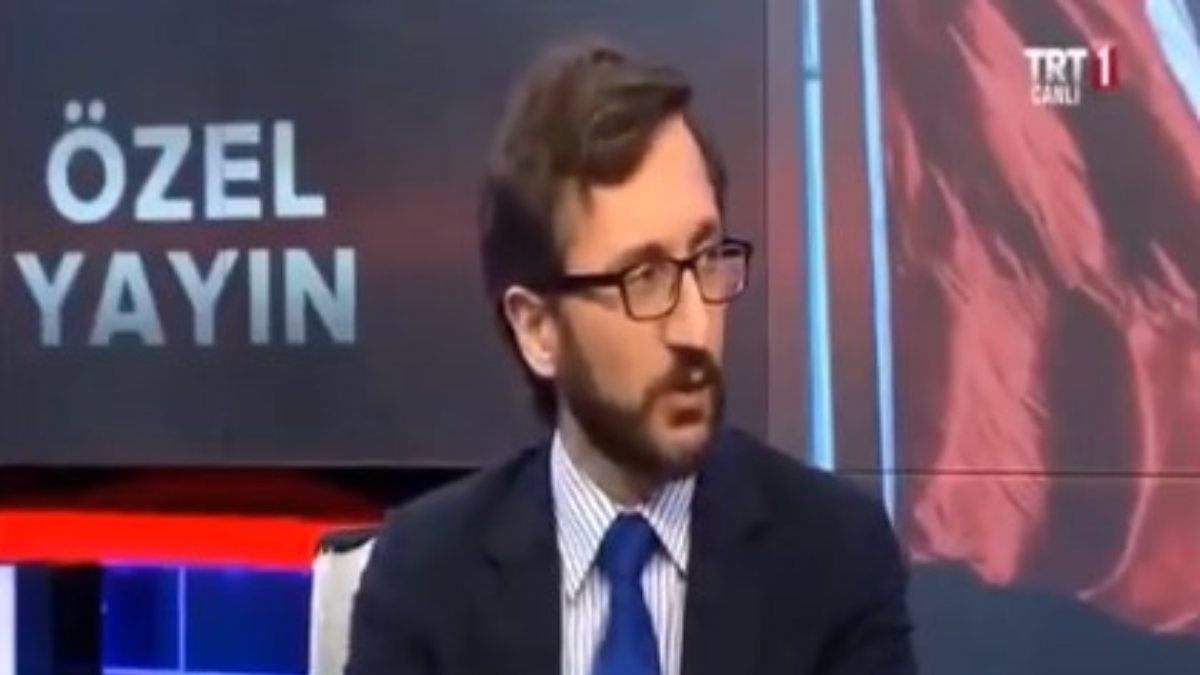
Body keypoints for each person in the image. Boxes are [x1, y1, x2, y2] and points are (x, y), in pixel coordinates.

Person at [346, 37, 916, 675]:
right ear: (538, 328)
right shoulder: (425, 580)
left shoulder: (834, 561)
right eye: (643, 279)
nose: (694, 329)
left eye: (706, 258)